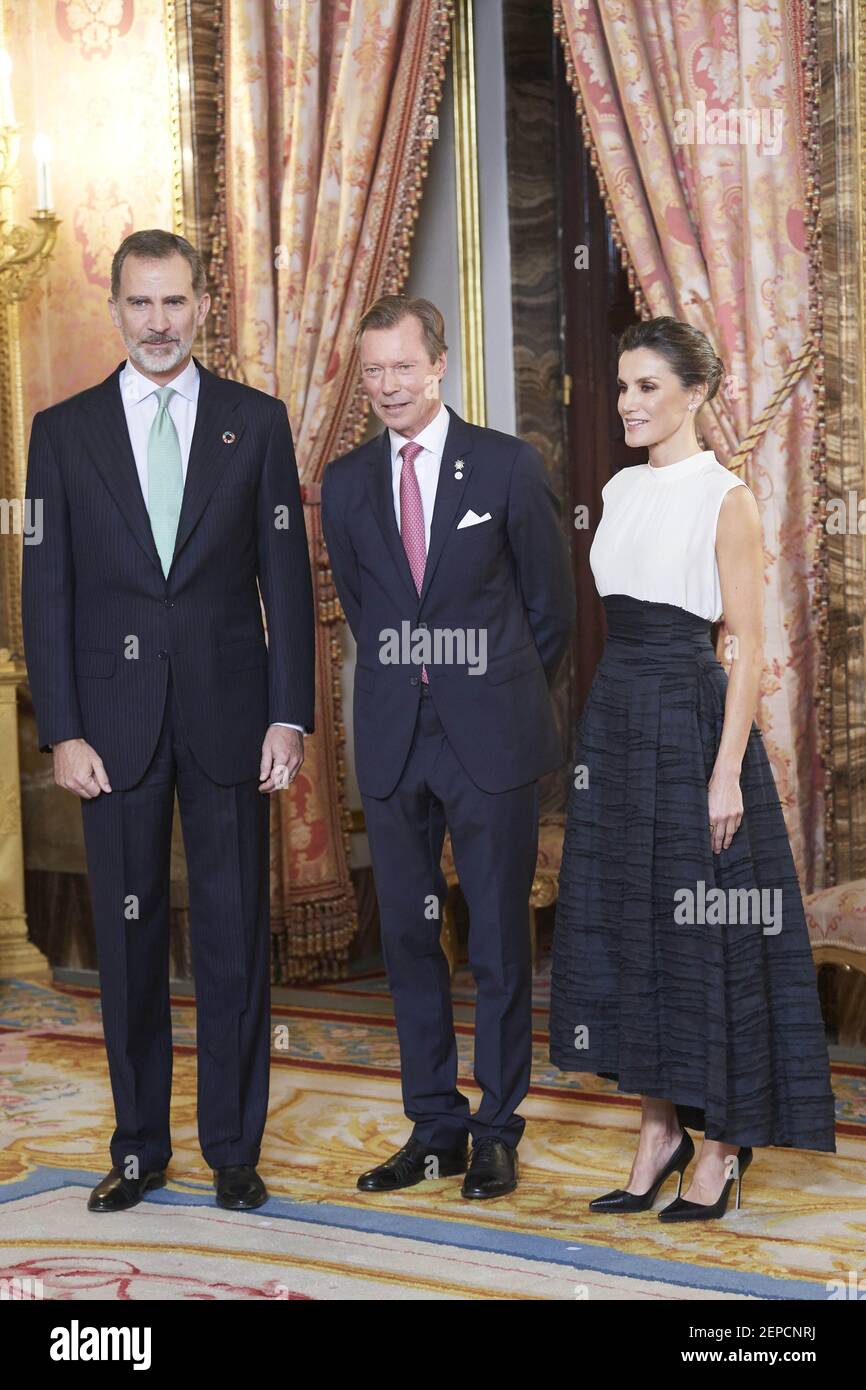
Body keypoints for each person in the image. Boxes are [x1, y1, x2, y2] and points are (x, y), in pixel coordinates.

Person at [21, 229, 315, 1213]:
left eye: (175, 303)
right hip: (111, 728)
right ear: (116, 308)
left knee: (233, 939)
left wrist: (290, 715)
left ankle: (233, 1148)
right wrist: (60, 726)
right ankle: (139, 1148)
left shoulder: (256, 422)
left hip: (233, 721)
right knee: (130, 938)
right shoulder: (59, 433)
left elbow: (286, 581)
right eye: (141, 304)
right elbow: (44, 590)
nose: (158, 323)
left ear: (202, 307)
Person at [549, 316, 836, 1221]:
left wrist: (723, 777)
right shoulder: (618, 489)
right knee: (633, 923)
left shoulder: (728, 498)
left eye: (647, 387)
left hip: (694, 720)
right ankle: (657, 1127)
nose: (629, 402)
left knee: (703, 932)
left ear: (696, 395)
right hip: (618, 718)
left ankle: (721, 1145)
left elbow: (748, 649)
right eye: (623, 385)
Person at [322, 295, 575, 1199]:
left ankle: (498, 1125)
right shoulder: (347, 483)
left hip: (491, 741)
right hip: (394, 740)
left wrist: (489, 692)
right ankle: (434, 1125)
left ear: (440, 365)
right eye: (374, 369)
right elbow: (363, 607)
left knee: (502, 939)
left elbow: (552, 609)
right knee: (409, 939)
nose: (387, 384)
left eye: (403, 366)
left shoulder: (507, 467)